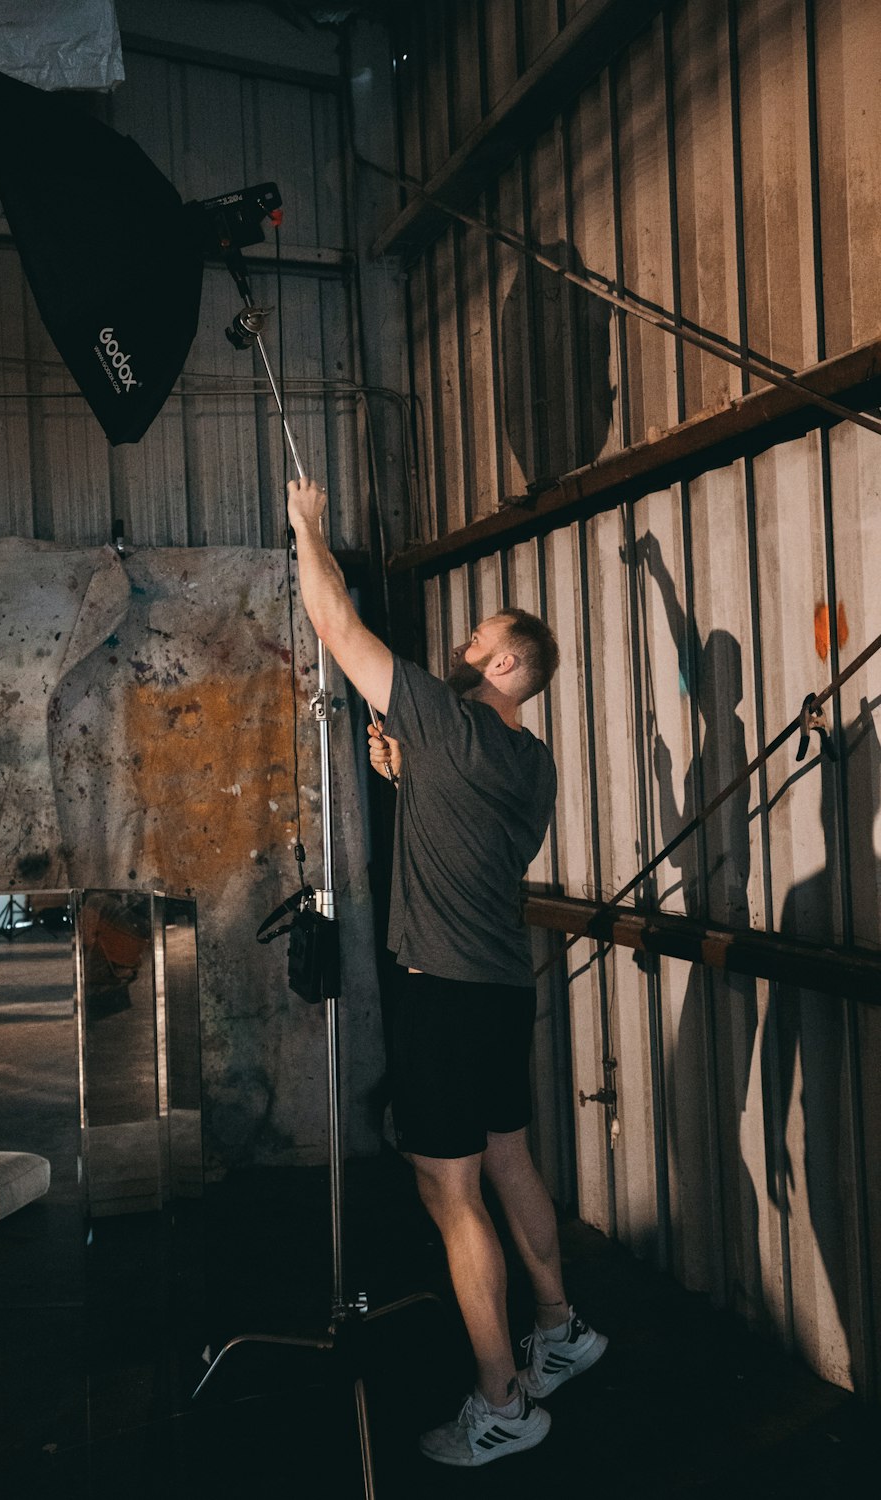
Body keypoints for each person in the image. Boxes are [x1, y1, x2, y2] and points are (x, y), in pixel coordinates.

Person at [286, 476, 606, 1468]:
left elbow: (334, 623)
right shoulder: (531, 759)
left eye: (478, 638)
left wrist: (307, 526)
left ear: (508, 661)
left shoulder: (446, 719)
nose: (462, 644)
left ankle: (502, 1400)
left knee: (448, 1190)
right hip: (501, 989)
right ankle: (558, 1328)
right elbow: (468, 819)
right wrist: (403, 771)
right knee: (509, 1158)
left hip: (440, 986)